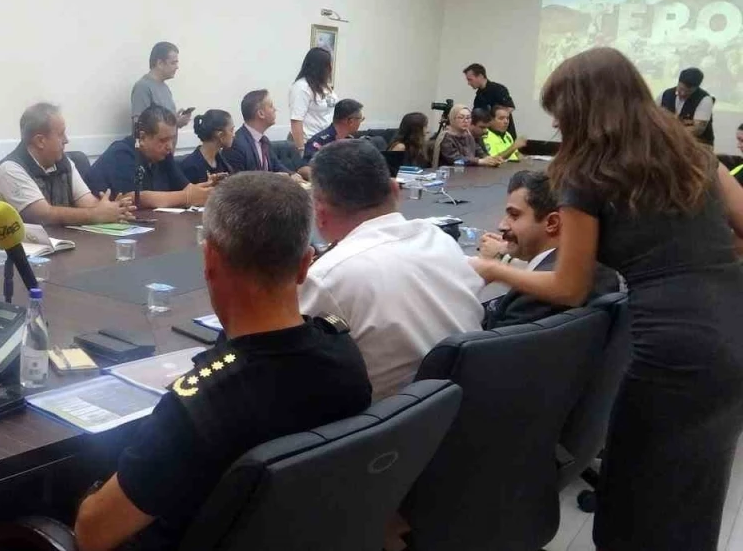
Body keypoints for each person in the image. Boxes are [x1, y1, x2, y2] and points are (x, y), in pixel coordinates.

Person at [470, 48, 743, 551]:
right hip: (733, 327)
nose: (557, 125)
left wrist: (492, 268)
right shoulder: (697, 157)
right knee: (696, 485)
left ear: (583, 111)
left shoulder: (586, 176)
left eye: (560, 114)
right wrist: (707, 265)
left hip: (671, 349)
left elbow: (568, 287)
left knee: (635, 501)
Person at [74, 173, 371, 551]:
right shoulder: (346, 357)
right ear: (304, 264)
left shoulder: (200, 407)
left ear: (210, 259)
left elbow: (92, 534)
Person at [300, 140, 484, 400]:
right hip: (469, 401)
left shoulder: (327, 277)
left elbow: (295, 370)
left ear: (318, 213)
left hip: (388, 419)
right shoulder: (439, 238)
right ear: (396, 190)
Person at [476, 171, 619, 329]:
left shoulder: (535, 294)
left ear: (552, 223)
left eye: (514, 215)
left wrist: (474, 280)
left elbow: (480, 342)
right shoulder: (602, 270)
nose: (501, 226)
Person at [0, 102, 135, 226]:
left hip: (68, 243)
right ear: (40, 141)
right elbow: (44, 215)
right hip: (26, 248)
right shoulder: (11, 170)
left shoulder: (63, 162)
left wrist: (114, 209)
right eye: (61, 134)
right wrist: (96, 215)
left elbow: (88, 203)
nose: (66, 140)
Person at [88, 106, 215, 210]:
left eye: (172, 139)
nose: (170, 146)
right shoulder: (121, 154)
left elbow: (186, 188)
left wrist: (209, 189)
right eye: (163, 140)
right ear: (142, 138)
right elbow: (135, 198)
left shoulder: (163, 154)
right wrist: (187, 197)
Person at [228, 90, 300, 179]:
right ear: (261, 114)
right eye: (271, 106)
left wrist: (291, 175)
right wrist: (272, 177)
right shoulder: (236, 144)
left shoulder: (264, 140)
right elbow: (240, 181)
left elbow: (276, 165)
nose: (275, 109)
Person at [130, 42, 191, 128]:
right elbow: (139, 126)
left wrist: (175, 120)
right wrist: (175, 123)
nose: (177, 67)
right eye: (173, 63)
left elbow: (164, 123)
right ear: (160, 63)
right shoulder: (142, 87)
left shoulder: (165, 87)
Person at [288, 47, 338, 145]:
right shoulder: (302, 87)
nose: (331, 68)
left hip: (325, 141)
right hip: (307, 142)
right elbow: (296, 120)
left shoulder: (325, 86)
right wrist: (300, 149)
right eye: (328, 65)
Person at [660, 66, 715, 145]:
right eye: (681, 89)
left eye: (688, 91)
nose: (683, 93)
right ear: (678, 82)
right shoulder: (665, 94)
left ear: (696, 88)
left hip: (698, 145)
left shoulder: (705, 99)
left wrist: (670, 133)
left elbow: (697, 130)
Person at [179, 109, 236, 185]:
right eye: (231, 130)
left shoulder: (221, 160)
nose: (234, 135)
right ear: (220, 135)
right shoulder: (190, 167)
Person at [437, 105, 502, 168]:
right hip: (450, 172)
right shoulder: (446, 136)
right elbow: (455, 159)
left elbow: (479, 152)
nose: (465, 121)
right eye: (461, 118)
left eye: (468, 118)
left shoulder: (468, 135)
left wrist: (491, 159)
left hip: (468, 172)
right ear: (453, 119)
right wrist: (479, 161)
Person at [464, 62, 517, 138]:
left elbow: (510, 108)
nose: (469, 83)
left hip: (504, 136)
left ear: (480, 76)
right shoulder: (478, 96)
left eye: (470, 80)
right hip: (487, 136)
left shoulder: (498, 89)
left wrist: (492, 121)